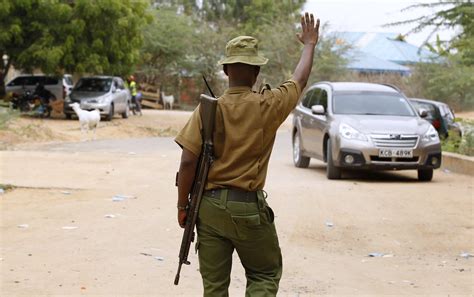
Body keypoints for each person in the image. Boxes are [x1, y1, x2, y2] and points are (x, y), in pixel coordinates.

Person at [175, 12, 320, 297]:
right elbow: (299, 80)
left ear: (227, 71)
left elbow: (188, 161)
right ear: (256, 73)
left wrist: (183, 206)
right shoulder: (269, 104)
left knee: (215, 288)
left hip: (210, 207)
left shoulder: (207, 110)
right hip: (249, 209)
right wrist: (309, 44)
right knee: (264, 273)